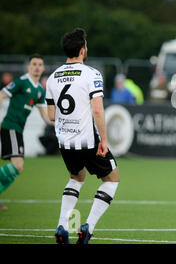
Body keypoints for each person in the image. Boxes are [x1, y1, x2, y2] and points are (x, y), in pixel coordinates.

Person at [46, 28, 120, 244]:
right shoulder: (91, 74)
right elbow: (97, 110)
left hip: (65, 142)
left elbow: (52, 115)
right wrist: (104, 140)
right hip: (88, 140)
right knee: (112, 179)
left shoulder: (52, 77)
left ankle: (62, 227)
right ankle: (88, 228)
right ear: (81, 50)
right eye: (85, 46)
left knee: (77, 177)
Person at [0, 54, 53, 210]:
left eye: (39, 64)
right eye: (34, 64)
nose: (37, 67)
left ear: (43, 68)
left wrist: (62, 123)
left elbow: (46, 118)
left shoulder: (39, 91)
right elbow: (2, 94)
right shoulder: (21, 82)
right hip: (10, 126)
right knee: (17, 165)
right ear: (29, 67)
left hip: (18, 130)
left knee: (18, 168)